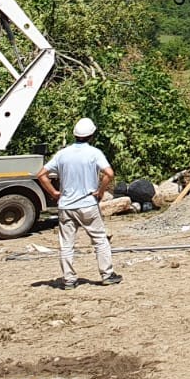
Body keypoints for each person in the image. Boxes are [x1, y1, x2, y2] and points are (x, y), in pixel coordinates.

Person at [35, 118, 122, 289]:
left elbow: (41, 174)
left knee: (66, 244)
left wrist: (53, 192)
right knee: (99, 240)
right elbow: (109, 173)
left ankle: (69, 279)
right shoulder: (94, 153)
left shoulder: (62, 154)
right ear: (92, 135)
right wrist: (101, 191)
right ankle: (107, 274)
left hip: (66, 205)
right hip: (88, 204)